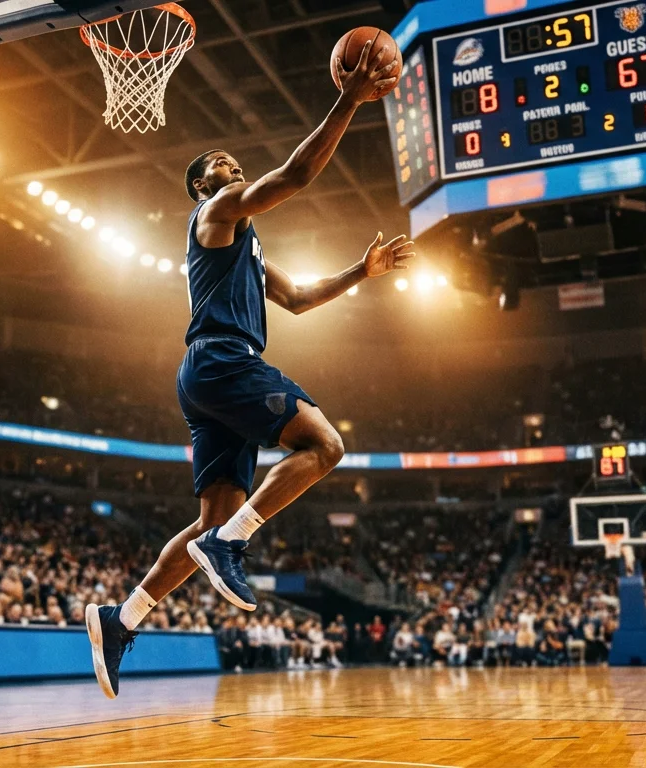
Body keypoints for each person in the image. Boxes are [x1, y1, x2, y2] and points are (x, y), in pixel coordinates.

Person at [83, 39, 408, 701]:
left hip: (207, 378)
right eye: (221, 167)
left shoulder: (247, 247)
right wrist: (349, 97)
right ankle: (233, 546)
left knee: (208, 522)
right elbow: (295, 177)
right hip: (224, 362)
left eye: (236, 165)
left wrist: (360, 271)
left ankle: (122, 619)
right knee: (326, 445)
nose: (232, 170)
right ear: (203, 187)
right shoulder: (214, 214)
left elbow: (298, 299)